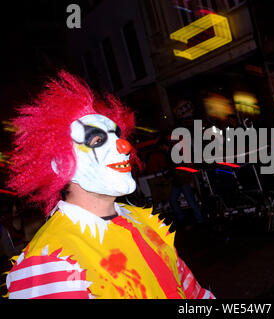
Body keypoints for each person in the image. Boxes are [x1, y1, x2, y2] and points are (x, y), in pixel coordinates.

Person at [4, 70, 214, 299]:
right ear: (63, 165)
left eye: (117, 136)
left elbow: (193, 294)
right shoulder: (50, 261)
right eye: (97, 140)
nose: (124, 147)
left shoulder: (145, 221)